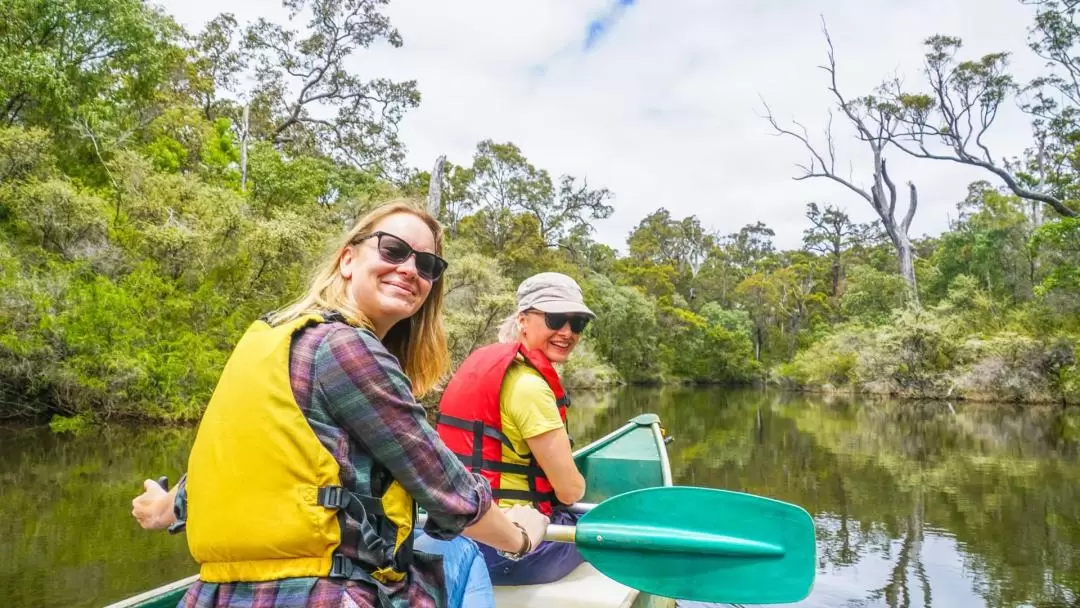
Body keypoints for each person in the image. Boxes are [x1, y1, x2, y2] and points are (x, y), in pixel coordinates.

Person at [131, 200, 549, 608]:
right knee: (463, 552)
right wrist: (520, 538)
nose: (410, 269)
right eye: (394, 250)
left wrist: (164, 508)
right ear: (348, 259)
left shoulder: (274, 339)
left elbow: (239, 464)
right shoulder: (346, 350)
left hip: (215, 593)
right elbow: (448, 492)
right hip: (324, 594)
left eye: (427, 265)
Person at [435, 272, 594, 586]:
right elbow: (570, 491)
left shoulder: (487, 366)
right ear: (523, 320)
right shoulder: (529, 386)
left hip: (460, 534)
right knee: (597, 525)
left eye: (577, 324)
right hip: (507, 548)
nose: (567, 332)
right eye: (555, 319)